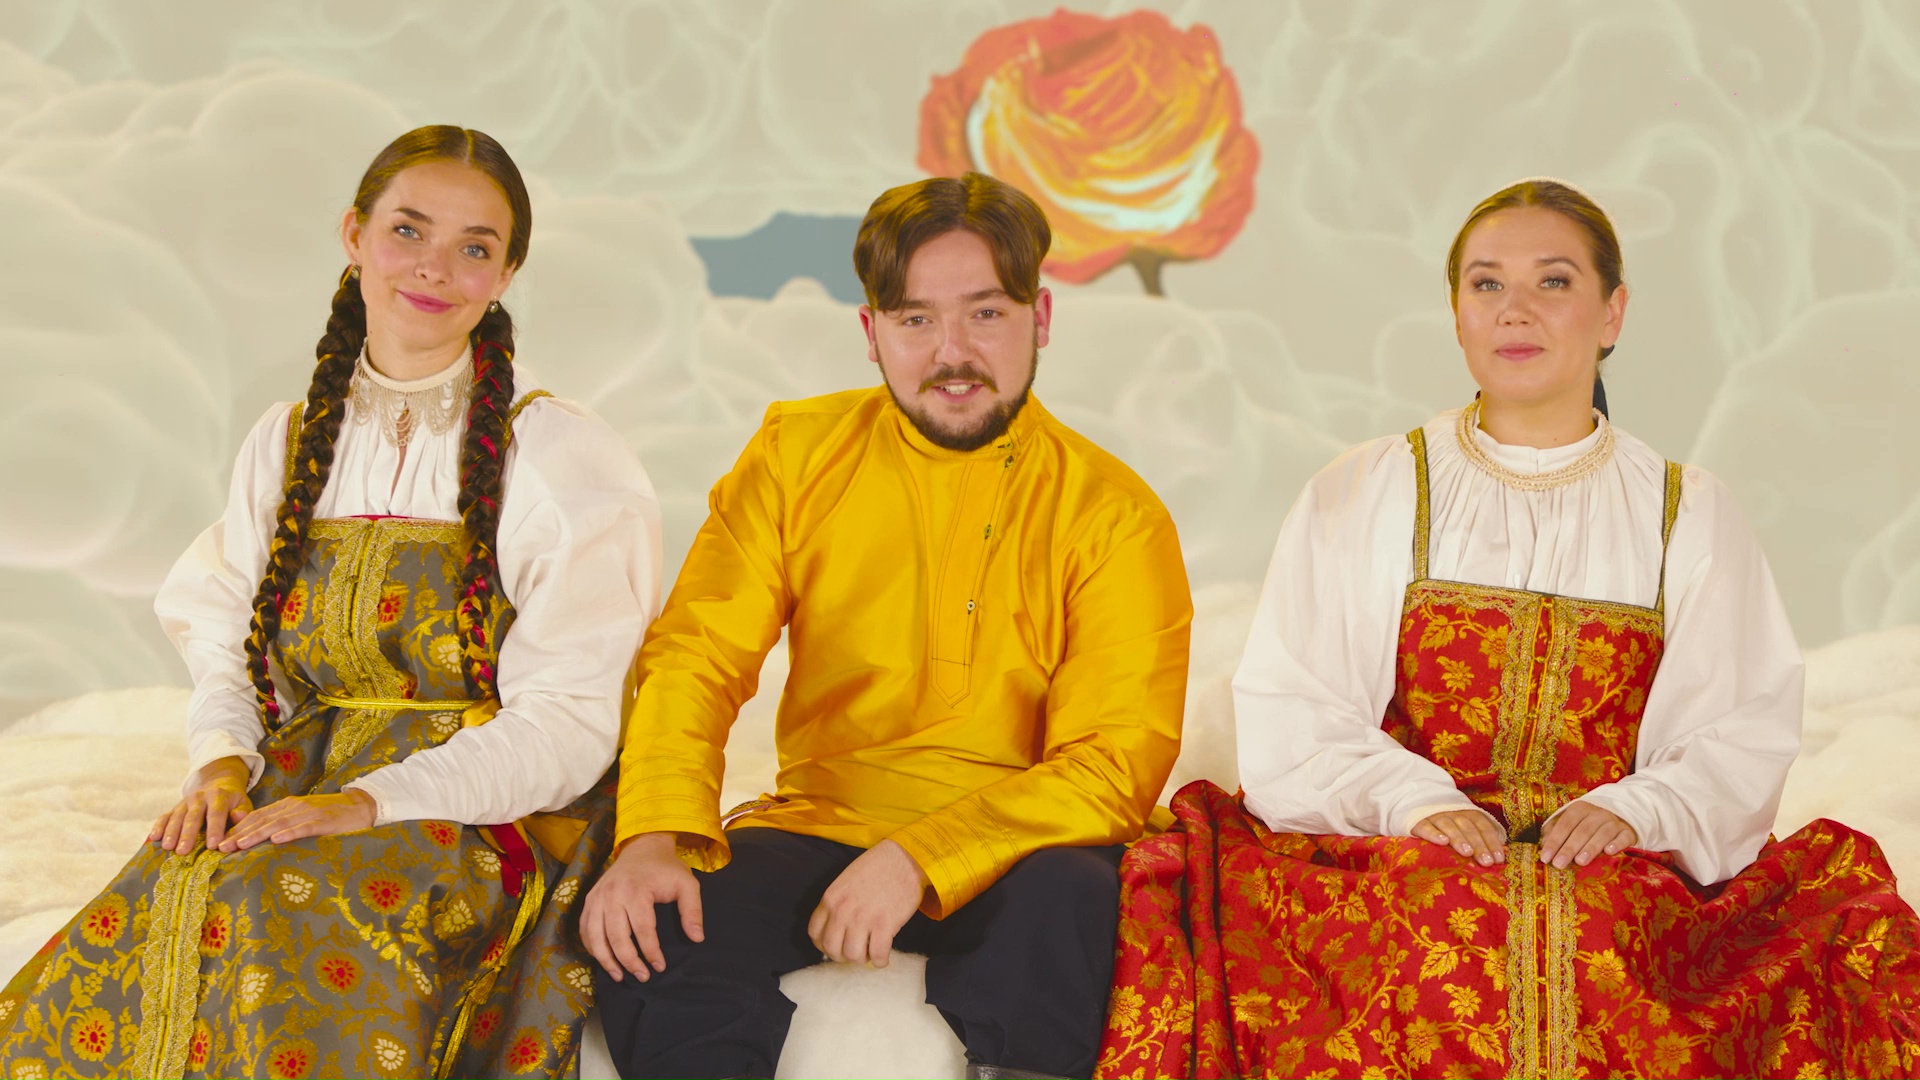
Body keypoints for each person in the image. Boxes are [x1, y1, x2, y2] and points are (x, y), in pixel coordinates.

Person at [1096, 179, 1920, 1078]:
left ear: (1613, 313)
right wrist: (1420, 805)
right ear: (1457, 314)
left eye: (1553, 282)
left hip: (1614, 861)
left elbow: (1737, 729)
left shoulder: (1688, 510)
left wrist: (1631, 810)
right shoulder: (1370, 488)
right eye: (1486, 284)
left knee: (1651, 939)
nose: (1515, 310)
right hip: (1401, 849)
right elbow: (1299, 704)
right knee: (1441, 925)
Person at [0, 125, 662, 1078]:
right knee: (160, 907)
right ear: (354, 234)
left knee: (275, 904)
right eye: (408, 230)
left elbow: (569, 721)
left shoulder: (556, 451)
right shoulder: (289, 439)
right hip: (302, 774)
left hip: (490, 803)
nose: (434, 268)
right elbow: (224, 632)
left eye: (475, 247)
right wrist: (220, 765)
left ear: (507, 273)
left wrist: (370, 803)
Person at [582, 171, 1192, 1080]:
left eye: (986, 314)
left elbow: (1112, 763)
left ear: (1040, 317)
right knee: (659, 928)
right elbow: (697, 657)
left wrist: (920, 858)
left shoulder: (1115, 514)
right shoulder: (796, 456)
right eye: (916, 320)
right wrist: (652, 832)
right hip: (823, 822)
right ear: (871, 334)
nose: (953, 353)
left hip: (1023, 848)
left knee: (1074, 903)